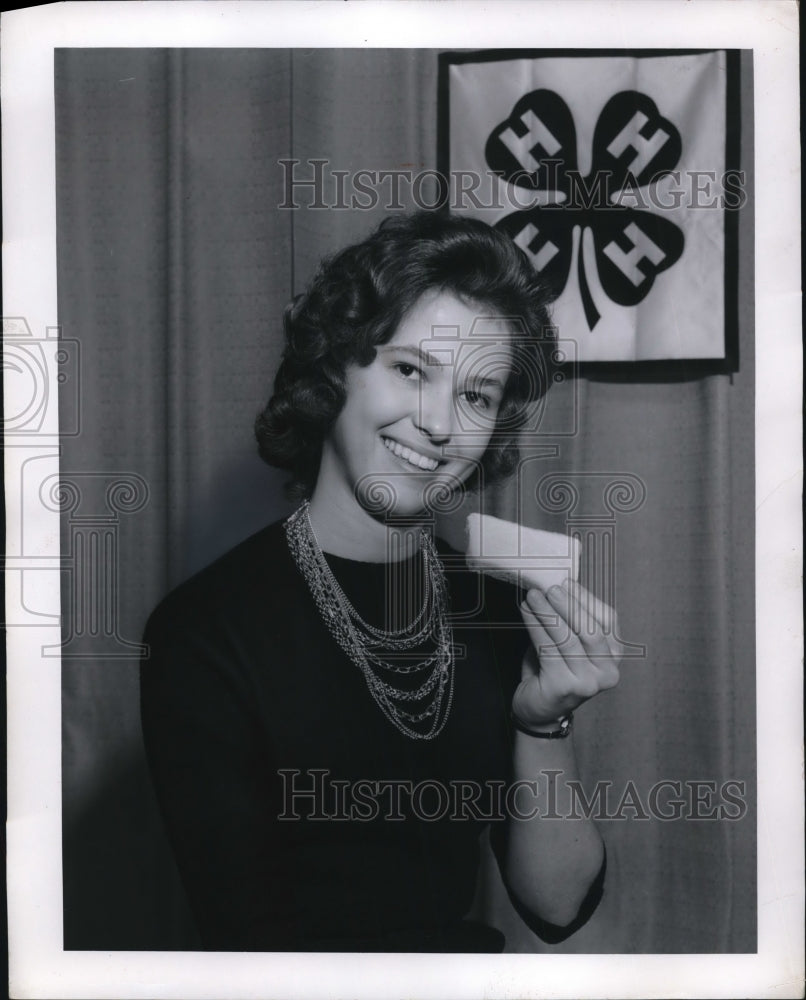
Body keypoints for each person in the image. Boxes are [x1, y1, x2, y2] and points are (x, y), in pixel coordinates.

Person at [140, 211, 622, 952]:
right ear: (335, 367)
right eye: (410, 370)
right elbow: (247, 938)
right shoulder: (204, 629)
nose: (439, 424)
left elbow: (557, 907)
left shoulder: (496, 607)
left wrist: (540, 723)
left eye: (477, 395)